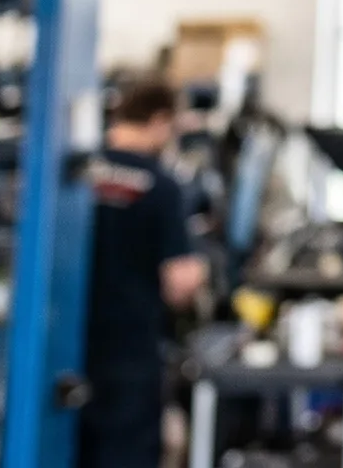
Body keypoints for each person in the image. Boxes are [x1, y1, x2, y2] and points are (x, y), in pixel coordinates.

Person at [79, 77, 209, 468]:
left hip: (69, 343)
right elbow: (179, 280)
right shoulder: (162, 186)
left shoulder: (77, 172)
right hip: (130, 348)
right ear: (160, 120)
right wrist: (201, 274)